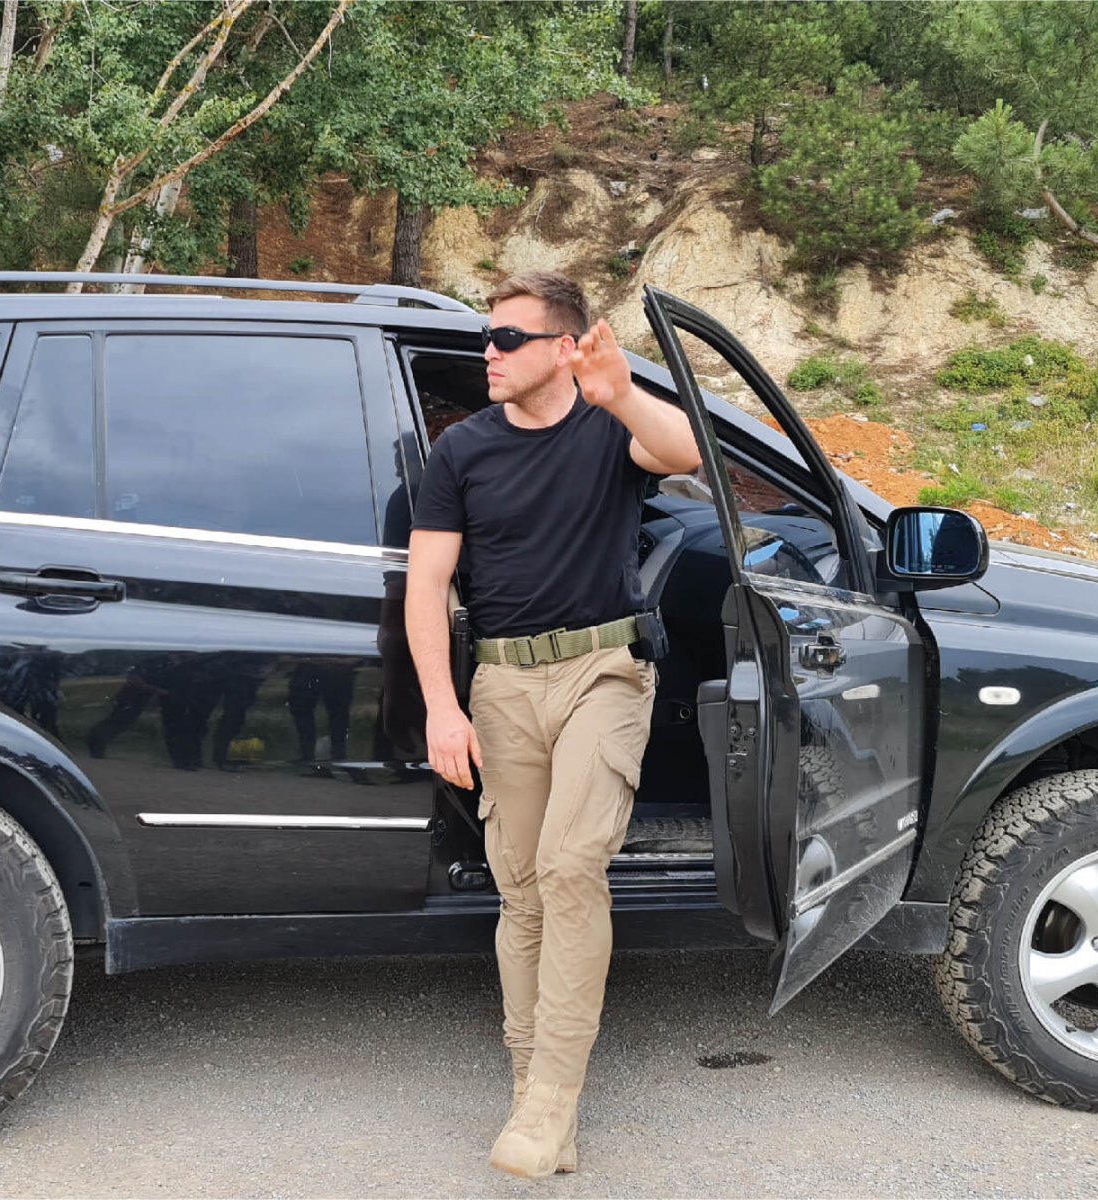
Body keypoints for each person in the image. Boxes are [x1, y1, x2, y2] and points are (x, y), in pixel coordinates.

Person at [406, 271, 702, 1178]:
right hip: (502, 685)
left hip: (603, 672)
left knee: (572, 868)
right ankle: (534, 1088)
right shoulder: (463, 452)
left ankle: (546, 1105)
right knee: (525, 891)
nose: (487, 354)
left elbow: (686, 452)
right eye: (486, 338)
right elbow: (426, 586)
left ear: (563, 348)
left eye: (507, 339)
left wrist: (622, 394)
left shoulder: (609, 427)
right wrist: (443, 706)